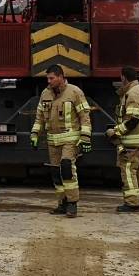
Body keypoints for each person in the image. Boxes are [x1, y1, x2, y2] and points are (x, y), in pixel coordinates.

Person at [31, 63, 91, 217]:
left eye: (51, 78)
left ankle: (72, 203)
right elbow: (39, 117)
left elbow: (85, 117)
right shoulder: (45, 94)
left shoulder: (75, 92)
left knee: (66, 167)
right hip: (52, 141)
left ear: (60, 77)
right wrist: (34, 134)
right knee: (55, 172)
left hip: (70, 140)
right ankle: (62, 203)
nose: (49, 81)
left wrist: (85, 138)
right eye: (48, 78)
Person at [111, 65, 139, 212]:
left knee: (128, 171)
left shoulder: (133, 93)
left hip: (132, 142)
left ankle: (132, 203)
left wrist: (116, 132)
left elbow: (133, 120)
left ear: (123, 77)